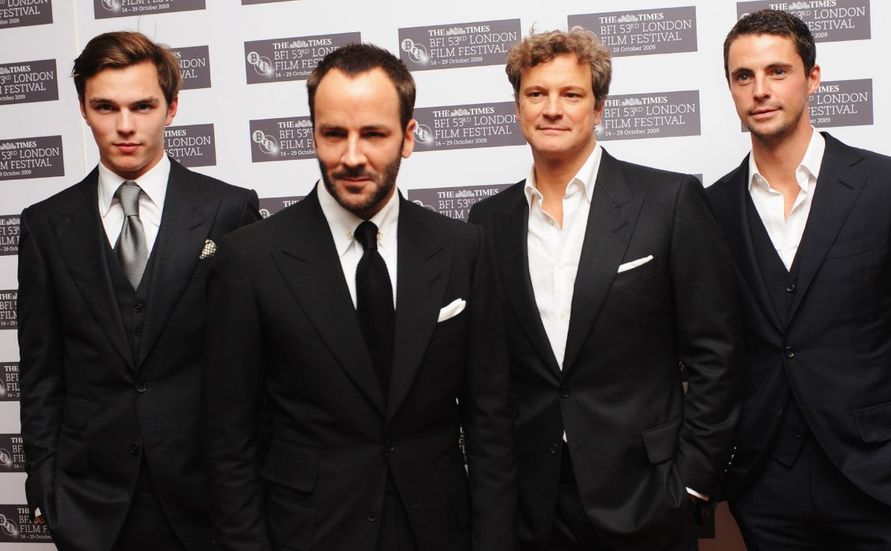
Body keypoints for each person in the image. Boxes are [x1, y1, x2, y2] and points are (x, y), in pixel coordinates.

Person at [203, 43, 516, 551]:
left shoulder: (464, 249)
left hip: (438, 529)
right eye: (333, 134)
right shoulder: (250, 258)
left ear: (408, 137)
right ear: (313, 135)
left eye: (373, 134)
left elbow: (491, 424)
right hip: (310, 533)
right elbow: (228, 439)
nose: (352, 156)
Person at [707, 9, 891, 550]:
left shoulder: (889, 187)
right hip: (768, 489)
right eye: (743, 76)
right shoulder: (711, 210)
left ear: (813, 77)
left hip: (885, 478)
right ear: (731, 88)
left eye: (777, 71)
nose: (760, 90)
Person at [468, 29, 740, 551]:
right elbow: (490, 375)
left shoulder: (667, 201)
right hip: (533, 503)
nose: (552, 109)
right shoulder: (487, 222)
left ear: (598, 110)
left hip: (648, 495)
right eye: (536, 94)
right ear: (518, 107)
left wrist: (691, 480)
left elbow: (717, 353)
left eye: (571, 94)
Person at [16, 31, 260, 551]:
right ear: (83, 109)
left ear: (172, 107)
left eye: (142, 106)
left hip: (207, 497)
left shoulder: (230, 210)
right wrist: (46, 482)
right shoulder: (44, 225)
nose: (125, 126)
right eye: (105, 106)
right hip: (89, 502)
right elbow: (40, 370)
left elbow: (254, 363)